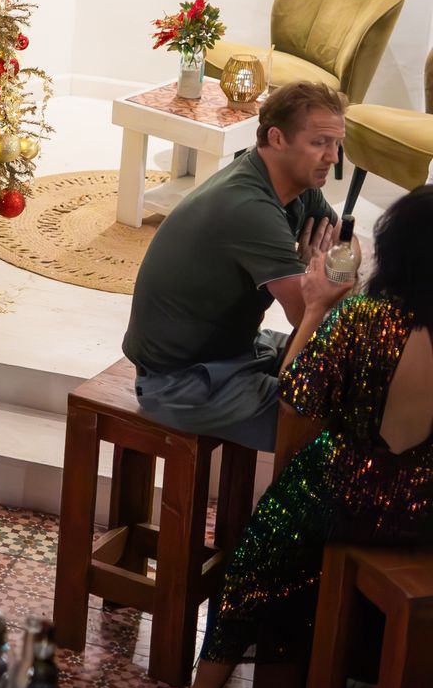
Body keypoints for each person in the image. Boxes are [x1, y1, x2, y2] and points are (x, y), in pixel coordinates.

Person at [161, 186, 433, 688]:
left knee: (261, 554)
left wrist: (315, 308)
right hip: (426, 510)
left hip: (347, 493)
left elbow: (297, 395)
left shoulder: (365, 317)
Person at [124, 82, 345, 451]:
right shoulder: (250, 208)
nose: (333, 157)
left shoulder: (297, 184)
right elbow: (311, 316)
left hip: (237, 352)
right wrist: (317, 280)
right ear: (277, 138)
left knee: (354, 376)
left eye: (336, 144)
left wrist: (325, 279)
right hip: (180, 382)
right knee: (331, 424)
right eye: (320, 143)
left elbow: (343, 244)